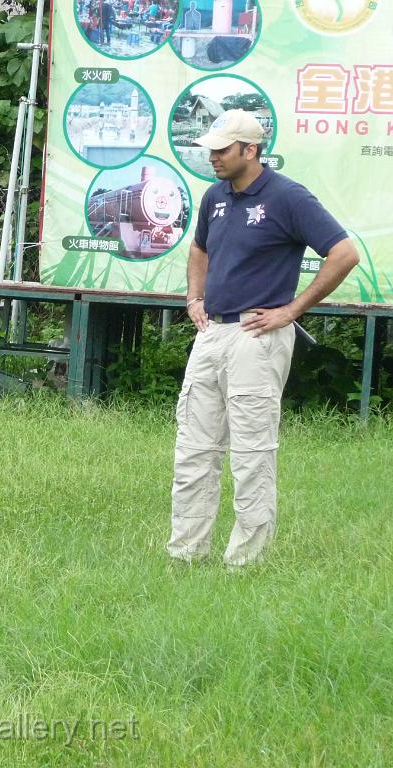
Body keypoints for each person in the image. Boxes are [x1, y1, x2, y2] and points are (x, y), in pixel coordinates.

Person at [168, 110, 359, 566]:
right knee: (193, 450)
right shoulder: (214, 196)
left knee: (252, 453)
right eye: (211, 148)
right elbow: (200, 247)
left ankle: (245, 563)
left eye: (221, 149)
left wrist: (292, 311)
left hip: (258, 335)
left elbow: (344, 252)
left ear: (250, 150)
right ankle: (185, 556)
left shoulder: (287, 197)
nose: (212, 156)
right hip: (212, 331)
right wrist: (195, 297)